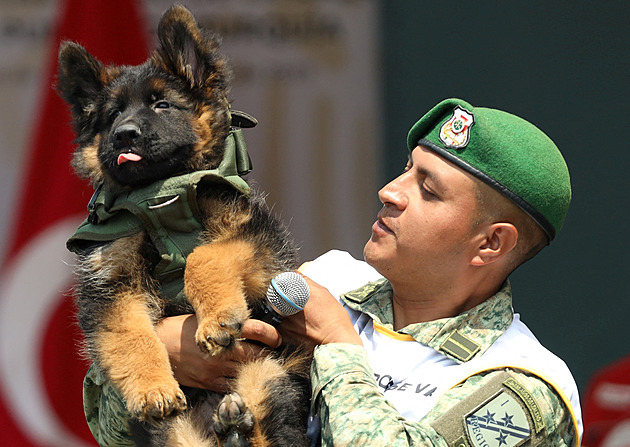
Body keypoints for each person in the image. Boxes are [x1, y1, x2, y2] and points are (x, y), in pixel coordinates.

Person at [83, 98, 582, 446]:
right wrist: (170, 351)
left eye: (428, 189)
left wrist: (341, 348)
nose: (391, 191)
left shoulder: (524, 382)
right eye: (405, 169)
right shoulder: (326, 282)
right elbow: (111, 431)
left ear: (492, 242)